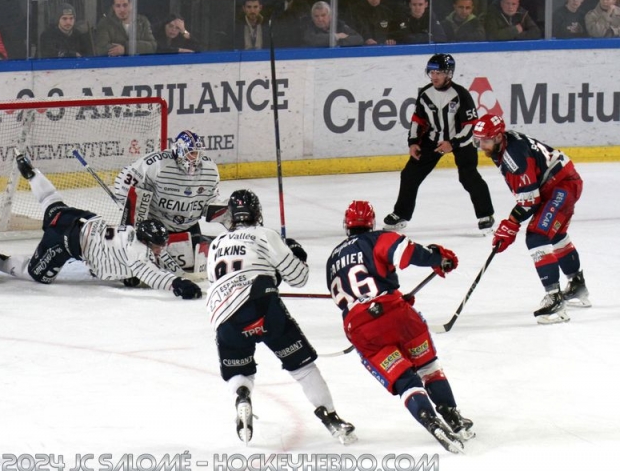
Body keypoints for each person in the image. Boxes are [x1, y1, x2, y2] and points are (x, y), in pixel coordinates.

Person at [207, 189, 357, 445]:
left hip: (224, 314)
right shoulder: (265, 235)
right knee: (303, 368)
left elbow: (222, 279)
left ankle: (242, 395)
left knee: (239, 370)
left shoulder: (215, 244)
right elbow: (299, 278)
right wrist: (296, 254)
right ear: (256, 213)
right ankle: (332, 419)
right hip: (262, 307)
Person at [325, 200, 471, 453]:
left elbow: (351, 297)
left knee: (404, 380)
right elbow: (408, 252)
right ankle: (453, 417)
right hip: (398, 315)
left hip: (361, 329)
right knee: (428, 367)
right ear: (370, 222)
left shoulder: (332, 260)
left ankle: (428, 419)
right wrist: (438, 258)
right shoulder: (376, 239)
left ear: (347, 226)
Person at [0, 152, 202, 301]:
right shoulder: (137, 254)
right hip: (63, 240)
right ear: (146, 243)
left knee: (51, 202)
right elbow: (153, 276)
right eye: (157, 246)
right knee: (35, 274)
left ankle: (33, 175)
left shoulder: (132, 232)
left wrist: (178, 272)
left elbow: (157, 256)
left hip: (80, 218)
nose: (159, 250)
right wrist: (177, 283)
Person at [472, 115, 590, 324]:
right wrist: (511, 223)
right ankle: (577, 285)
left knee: (537, 236)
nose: (482, 145)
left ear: (499, 137)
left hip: (561, 186)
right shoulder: (504, 144)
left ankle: (555, 299)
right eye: (479, 140)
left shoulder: (513, 157)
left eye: (486, 140)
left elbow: (530, 201)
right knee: (556, 234)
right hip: (559, 183)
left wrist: (511, 223)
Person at [383, 54, 495, 233]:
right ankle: (401, 214)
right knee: (410, 174)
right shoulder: (425, 93)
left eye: (439, 72)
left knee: (468, 177)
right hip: (432, 140)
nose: (434, 76)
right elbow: (417, 120)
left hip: (461, 142)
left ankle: (485, 214)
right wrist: (413, 142)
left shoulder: (461, 95)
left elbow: (471, 127)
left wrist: (453, 143)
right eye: (431, 72)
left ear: (449, 74)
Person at [113, 130, 220, 273]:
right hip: (156, 228)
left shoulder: (210, 169)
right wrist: (129, 208)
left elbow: (211, 199)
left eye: (198, 153)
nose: (196, 158)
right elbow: (123, 181)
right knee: (138, 266)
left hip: (189, 226)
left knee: (195, 265)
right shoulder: (156, 164)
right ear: (180, 150)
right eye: (191, 152)